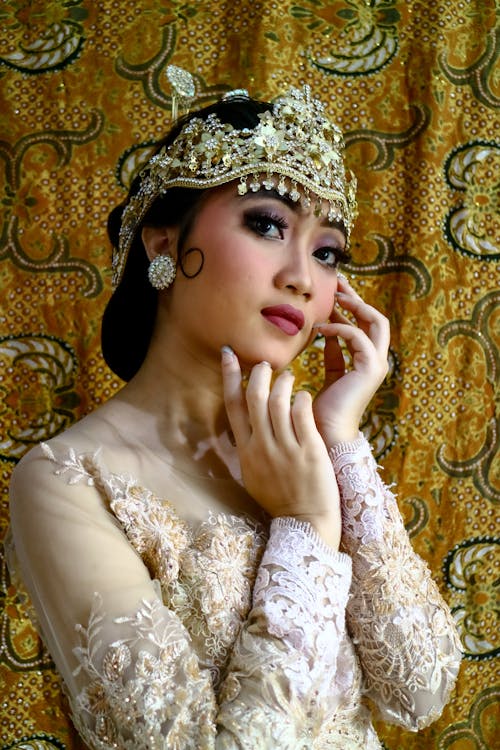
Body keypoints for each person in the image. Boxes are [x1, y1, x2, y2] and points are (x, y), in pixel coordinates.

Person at [8, 85, 462, 749]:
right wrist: (306, 528)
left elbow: (419, 691)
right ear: (163, 243)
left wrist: (340, 448)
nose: (304, 278)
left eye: (327, 251)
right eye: (267, 225)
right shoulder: (68, 482)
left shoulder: (310, 455)